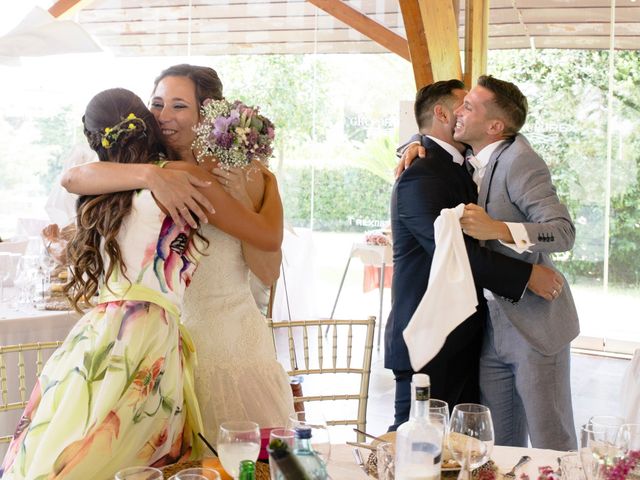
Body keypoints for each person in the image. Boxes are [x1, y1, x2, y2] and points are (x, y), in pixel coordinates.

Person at [1, 88, 283, 479]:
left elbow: (70, 177)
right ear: (147, 125)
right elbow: (266, 236)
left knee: (78, 443)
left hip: (100, 329)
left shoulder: (104, 190)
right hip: (148, 330)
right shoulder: (182, 177)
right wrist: (267, 184)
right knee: (133, 446)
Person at [61, 65, 295, 443]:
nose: (163, 116)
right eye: (157, 103)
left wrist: (262, 188)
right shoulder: (142, 168)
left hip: (225, 343)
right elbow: (73, 177)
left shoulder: (238, 173)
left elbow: (268, 269)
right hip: (157, 346)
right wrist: (151, 175)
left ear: (209, 113)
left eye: (179, 106)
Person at [397, 75, 579, 450]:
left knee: (551, 442)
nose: (458, 112)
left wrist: (498, 228)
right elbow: (433, 145)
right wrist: (414, 143)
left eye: (469, 106)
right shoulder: (465, 161)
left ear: (495, 125)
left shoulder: (520, 161)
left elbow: (562, 232)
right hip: (487, 330)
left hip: (534, 323)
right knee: (495, 446)